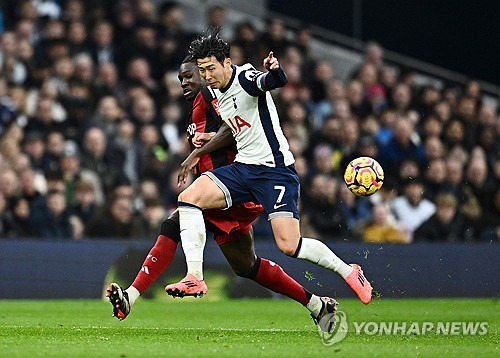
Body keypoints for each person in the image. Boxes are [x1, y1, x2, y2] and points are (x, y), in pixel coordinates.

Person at [106, 57, 337, 333]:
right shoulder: (198, 104)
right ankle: (316, 305)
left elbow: (232, 127)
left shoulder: (216, 93)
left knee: (173, 224)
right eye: (180, 79)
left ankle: (136, 295)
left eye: (189, 76)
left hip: (234, 186)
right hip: (223, 189)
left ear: (206, 73)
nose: (184, 82)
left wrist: (198, 151)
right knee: (247, 266)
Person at [169, 30, 372, 310]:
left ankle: (349, 271)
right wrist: (207, 141)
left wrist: (275, 72)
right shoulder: (214, 89)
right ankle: (195, 277)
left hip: (274, 172)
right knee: (189, 198)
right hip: (243, 168)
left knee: (290, 245)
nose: (207, 75)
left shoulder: (245, 78)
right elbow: (237, 122)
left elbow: (270, 82)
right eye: (202, 70)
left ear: (227, 63)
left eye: (211, 68)